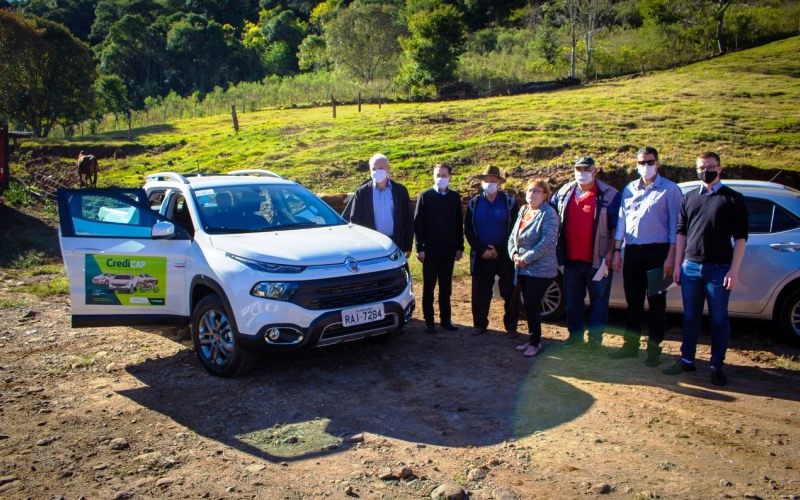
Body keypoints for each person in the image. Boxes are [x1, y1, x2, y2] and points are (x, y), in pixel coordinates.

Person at [663, 152, 748, 386]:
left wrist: (734, 270)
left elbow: (741, 238)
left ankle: (716, 365)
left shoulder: (732, 199)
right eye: (701, 167)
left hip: (719, 268)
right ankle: (686, 359)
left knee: (719, 319)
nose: (705, 171)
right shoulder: (689, 198)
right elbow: (681, 232)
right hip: (691, 266)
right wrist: (679, 264)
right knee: (690, 317)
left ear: (719, 169)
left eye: (710, 166)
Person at [609, 147, 683, 367]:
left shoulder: (670, 190)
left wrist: (671, 257)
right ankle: (630, 346)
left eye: (649, 162)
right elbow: (622, 222)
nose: (645, 166)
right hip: (632, 251)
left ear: (657, 163)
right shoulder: (629, 188)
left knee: (657, 303)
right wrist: (616, 251)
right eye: (641, 162)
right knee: (633, 302)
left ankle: (654, 350)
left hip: (659, 252)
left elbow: (675, 226)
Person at [551, 156, 620, 350]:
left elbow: (618, 226)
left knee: (599, 301)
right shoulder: (564, 192)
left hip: (599, 260)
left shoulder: (610, 194)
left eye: (587, 169)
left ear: (595, 171)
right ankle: (575, 336)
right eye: (578, 169)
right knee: (573, 300)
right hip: (571, 259)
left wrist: (612, 252)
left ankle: (595, 341)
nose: (582, 173)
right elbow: (551, 215)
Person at [465, 166, 521, 337]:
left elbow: (514, 228)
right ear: (481, 182)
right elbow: (468, 229)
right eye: (486, 180)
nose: (489, 183)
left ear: (499, 182)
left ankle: (511, 327)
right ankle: (480, 324)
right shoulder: (474, 202)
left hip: (504, 255)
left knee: (510, 291)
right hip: (481, 255)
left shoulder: (509, 202)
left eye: (492, 180)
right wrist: (482, 249)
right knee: (480, 291)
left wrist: (499, 249)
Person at [509, 178, 560, 356]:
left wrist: (526, 258)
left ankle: (535, 342)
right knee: (529, 304)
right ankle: (532, 339)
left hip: (540, 269)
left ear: (545, 195)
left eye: (537, 191)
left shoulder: (549, 213)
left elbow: (547, 241)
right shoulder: (524, 210)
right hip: (522, 267)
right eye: (530, 190)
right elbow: (512, 237)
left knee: (531, 302)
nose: (532, 194)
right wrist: (514, 254)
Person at [414, 163, 464, 333]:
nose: (440, 178)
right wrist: (419, 247)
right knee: (429, 286)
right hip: (430, 250)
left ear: (450, 177)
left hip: (448, 249)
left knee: (446, 286)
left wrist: (460, 247)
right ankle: (429, 320)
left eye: (444, 175)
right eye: (437, 174)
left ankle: (446, 319)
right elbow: (418, 224)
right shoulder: (425, 196)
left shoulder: (455, 197)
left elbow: (459, 224)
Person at [345, 153, 414, 256]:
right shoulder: (362, 193)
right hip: (371, 245)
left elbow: (408, 218)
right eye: (374, 169)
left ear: (388, 168)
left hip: (396, 242)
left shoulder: (400, 190)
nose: (377, 171)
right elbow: (355, 219)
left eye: (381, 168)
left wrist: (408, 245)